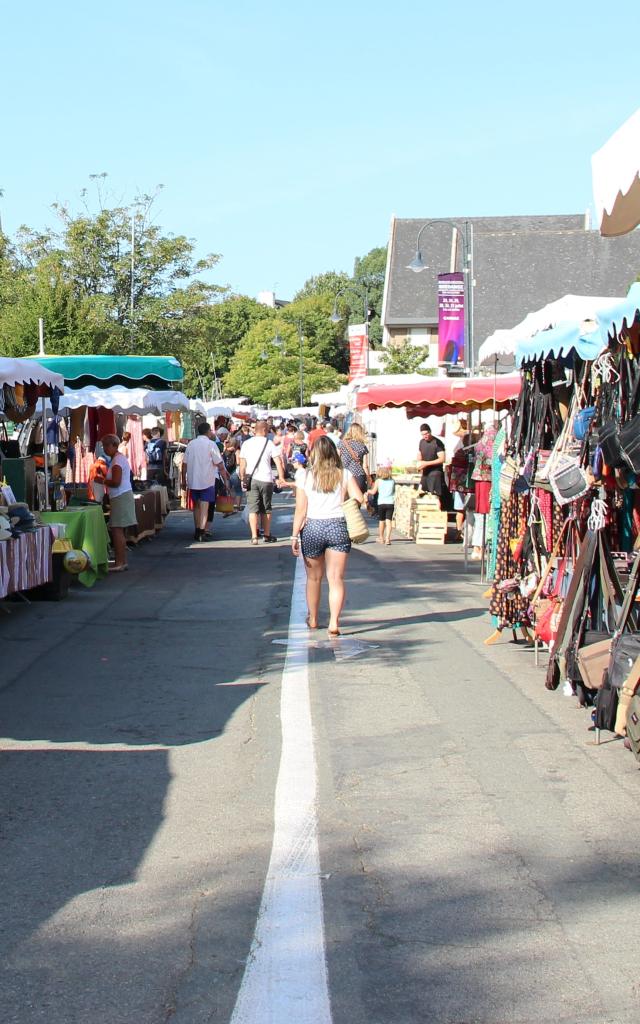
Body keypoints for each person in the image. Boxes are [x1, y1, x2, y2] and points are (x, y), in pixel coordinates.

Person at [291, 436, 364, 636]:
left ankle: (313, 618)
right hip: (338, 526)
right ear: (334, 453)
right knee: (336, 578)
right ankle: (333, 622)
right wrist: (346, 502)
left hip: (313, 526)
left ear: (314, 454)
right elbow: (360, 498)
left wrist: (294, 536)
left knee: (314, 578)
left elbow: (300, 510)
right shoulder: (345, 474)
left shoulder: (305, 476)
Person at [239, 419, 286, 545]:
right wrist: (281, 477)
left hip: (251, 479)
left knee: (253, 509)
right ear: (264, 430)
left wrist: (242, 478)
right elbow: (278, 461)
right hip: (266, 479)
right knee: (266, 508)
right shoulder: (269, 443)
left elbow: (242, 464)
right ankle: (266, 534)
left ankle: (254, 537)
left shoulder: (246, 444)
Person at [182, 422, 230, 542]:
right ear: (208, 431)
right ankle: (202, 531)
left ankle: (197, 529)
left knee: (196, 506)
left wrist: (183, 479)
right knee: (205, 505)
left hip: (193, 480)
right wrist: (225, 481)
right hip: (207, 479)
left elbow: (184, 464)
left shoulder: (191, 444)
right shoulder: (211, 444)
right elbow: (219, 464)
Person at [100, 434, 138, 571]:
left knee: (117, 530)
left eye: (106, 445)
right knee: (119, 530)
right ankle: (121, 561)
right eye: (103, 445)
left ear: (114, 445)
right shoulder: (118, 459)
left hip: (120, 496)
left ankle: (120, 562)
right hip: (121, 496)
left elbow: (116, 482)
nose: (104, 449)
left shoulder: (117, 461)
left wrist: (103, 480)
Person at [338, 423, 371, 495]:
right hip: (359, 476)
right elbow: (365, 466)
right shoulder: (362, 446)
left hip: (344, 476)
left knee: (344, 502)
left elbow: (337, 460)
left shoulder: (341, 444)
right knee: (356, 503)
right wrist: (369, 478)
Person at [368, 464, 396, 545]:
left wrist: (368, 491)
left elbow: (373, 492)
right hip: (390, 503)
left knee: (381, 521)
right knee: (389, 521)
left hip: (381, 503)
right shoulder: (392, 481)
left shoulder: (378, 481)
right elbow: (394, 491)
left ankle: (381, 538)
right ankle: (388, 539)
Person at [417, 422, 445, 497]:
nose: (425, 436)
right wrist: (419, 463)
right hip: (425, 473)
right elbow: (419, 453)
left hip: (435, 472)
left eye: (426, 434)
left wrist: (426, 463)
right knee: (422, 494)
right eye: (423, 434)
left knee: (434, 496)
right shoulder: (421, 442)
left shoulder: (437, 443)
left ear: (430, 432)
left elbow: (442, 459)